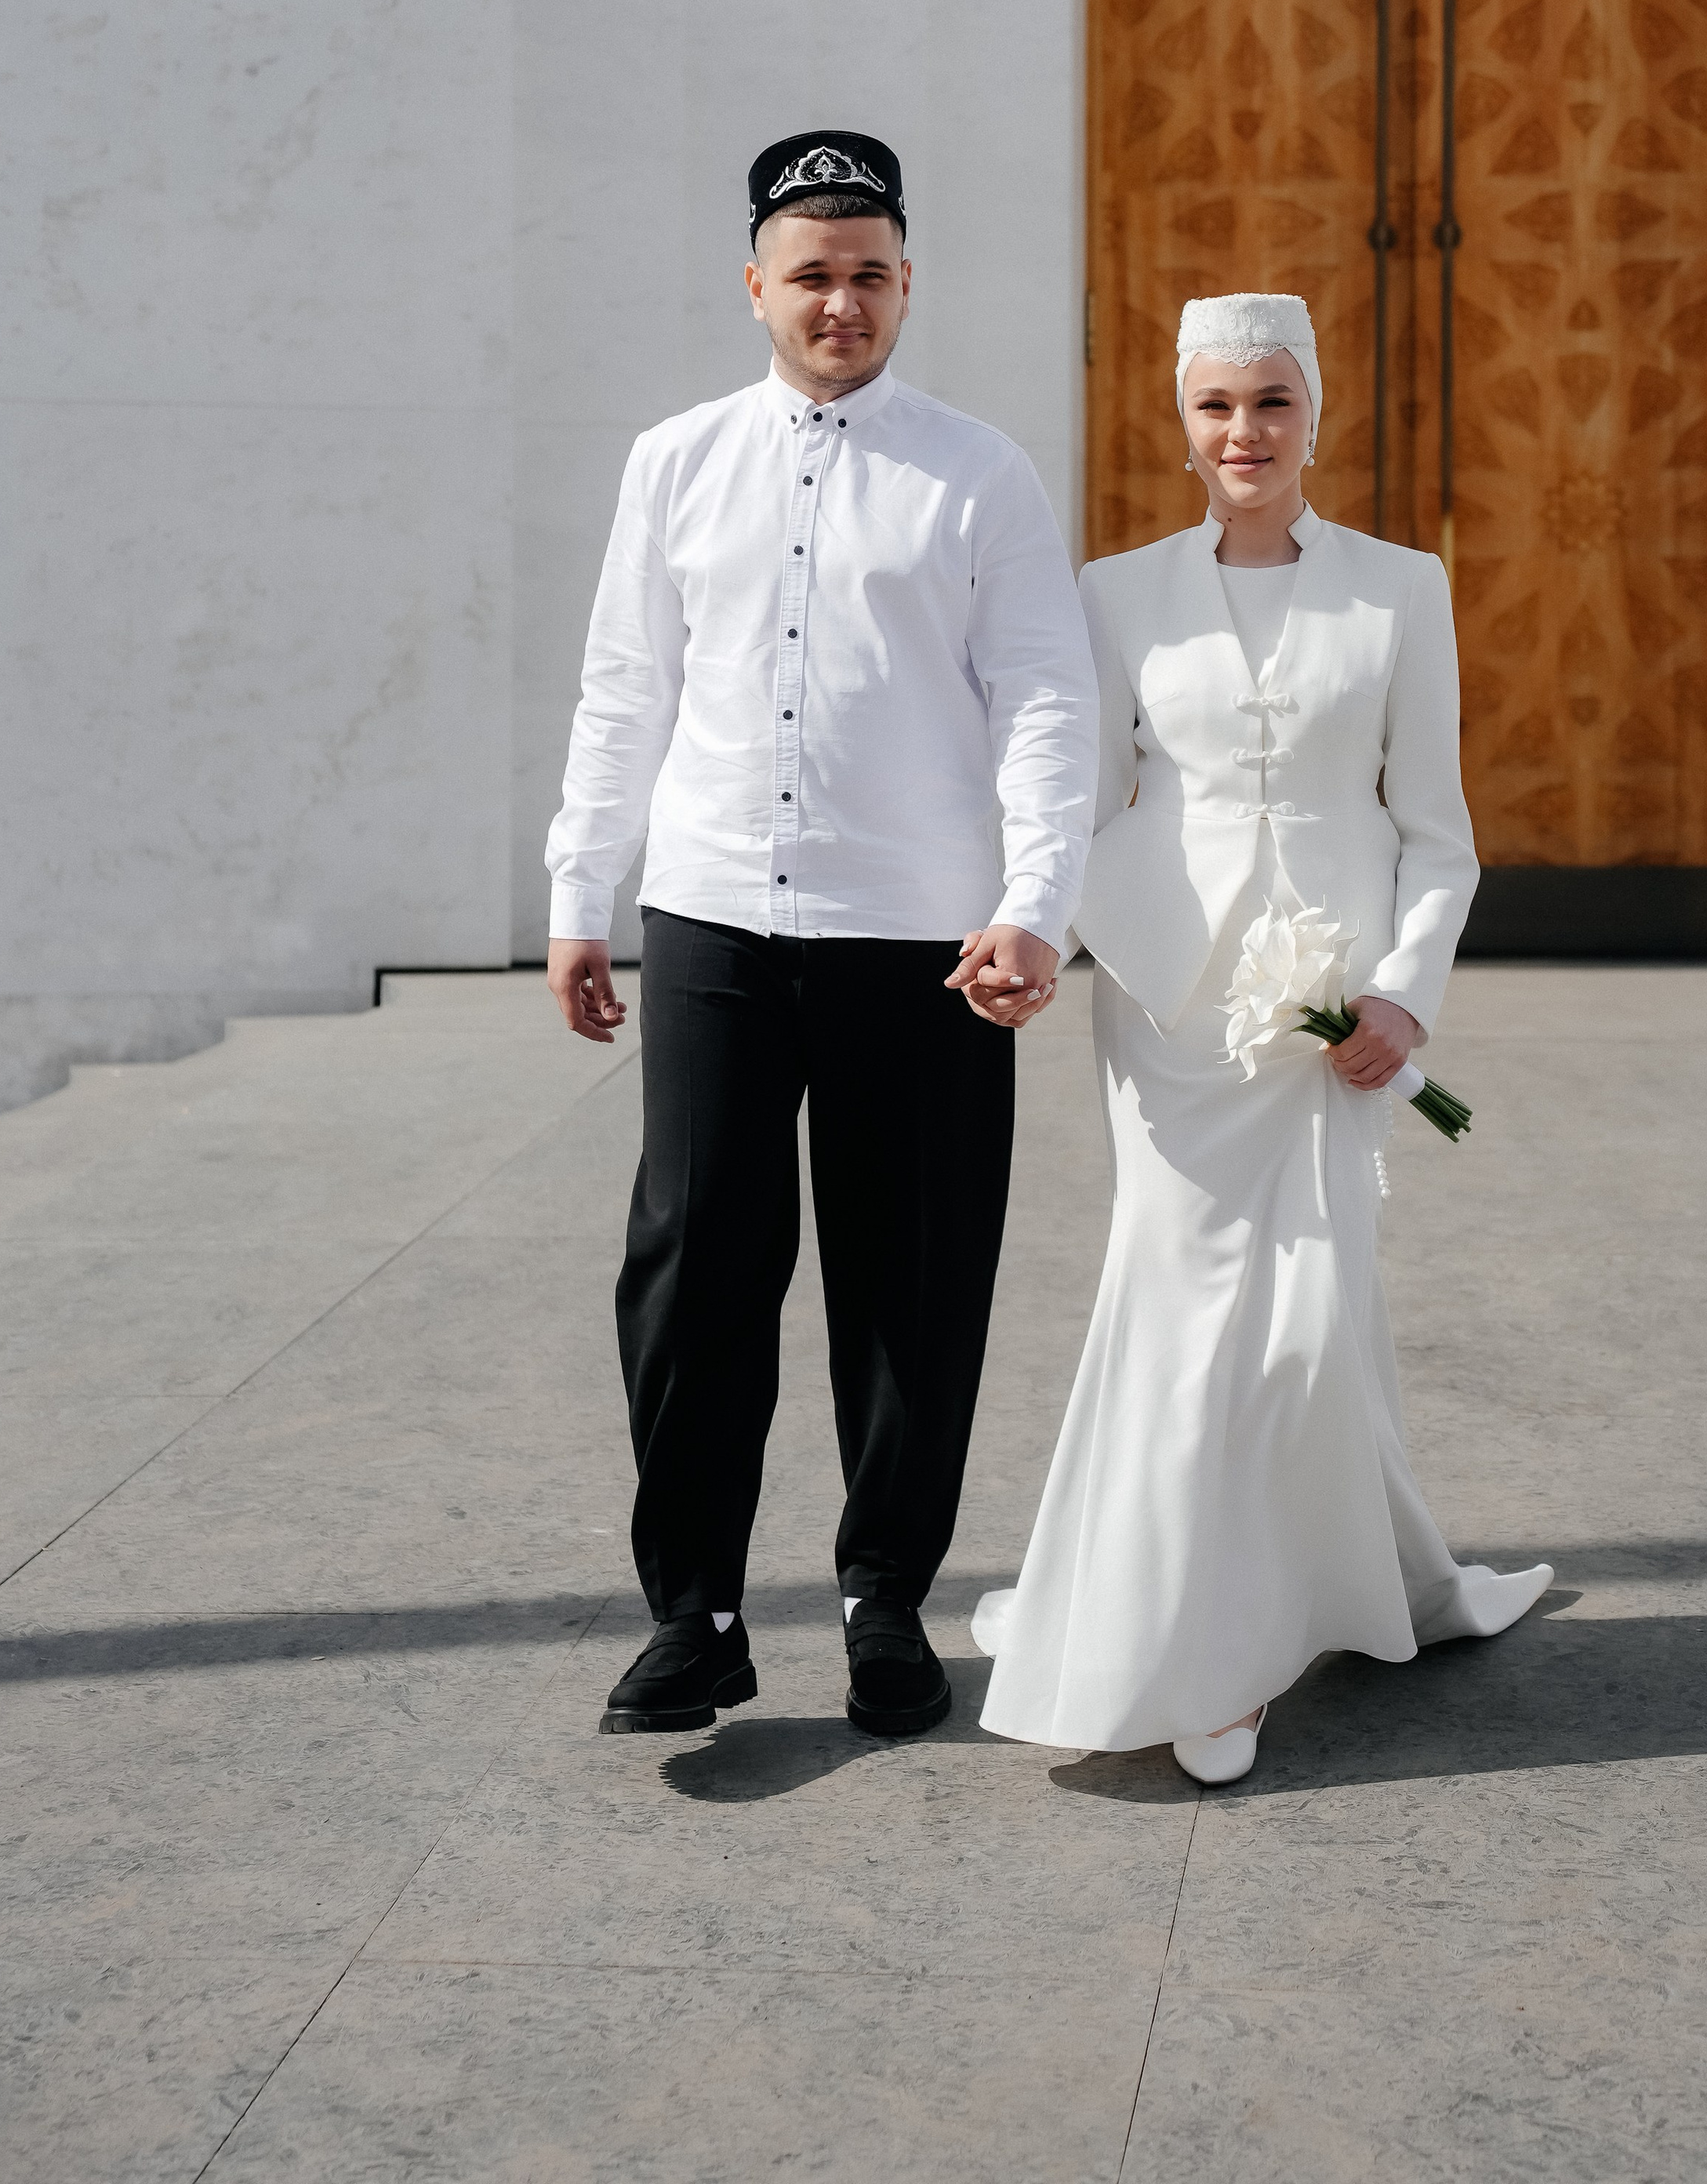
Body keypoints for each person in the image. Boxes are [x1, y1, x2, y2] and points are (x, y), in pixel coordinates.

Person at [545, 132, 1098, 1740]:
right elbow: (621, 690)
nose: (839, 302)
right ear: (754, 288)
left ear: (906, 283)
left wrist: (1032, 906)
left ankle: (882, 1606)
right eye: (810, 275)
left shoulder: (980, 472)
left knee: (910, 1284)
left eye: (867, 275)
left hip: (922, 938)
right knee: (692, 1266)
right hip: (711, 918)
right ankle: (696, 1617)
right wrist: (585, 895)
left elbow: (1050, 702)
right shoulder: (673, 461)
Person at [974, 291, 1551, 1784]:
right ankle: (1202, 1659)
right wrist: (1047, 934)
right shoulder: (1113, 594)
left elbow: (1438, 835)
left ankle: (1346, 1586)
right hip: (1171, 1013)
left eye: (1274, 404)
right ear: (1182, 420)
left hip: (1333, 1022)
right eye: (1220, 406)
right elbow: (1077, 803)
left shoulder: (1399, 591)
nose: (1247, 433)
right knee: (1179, 1312)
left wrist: (1405, 993)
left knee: (1309, 1324)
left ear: (1316, 415)